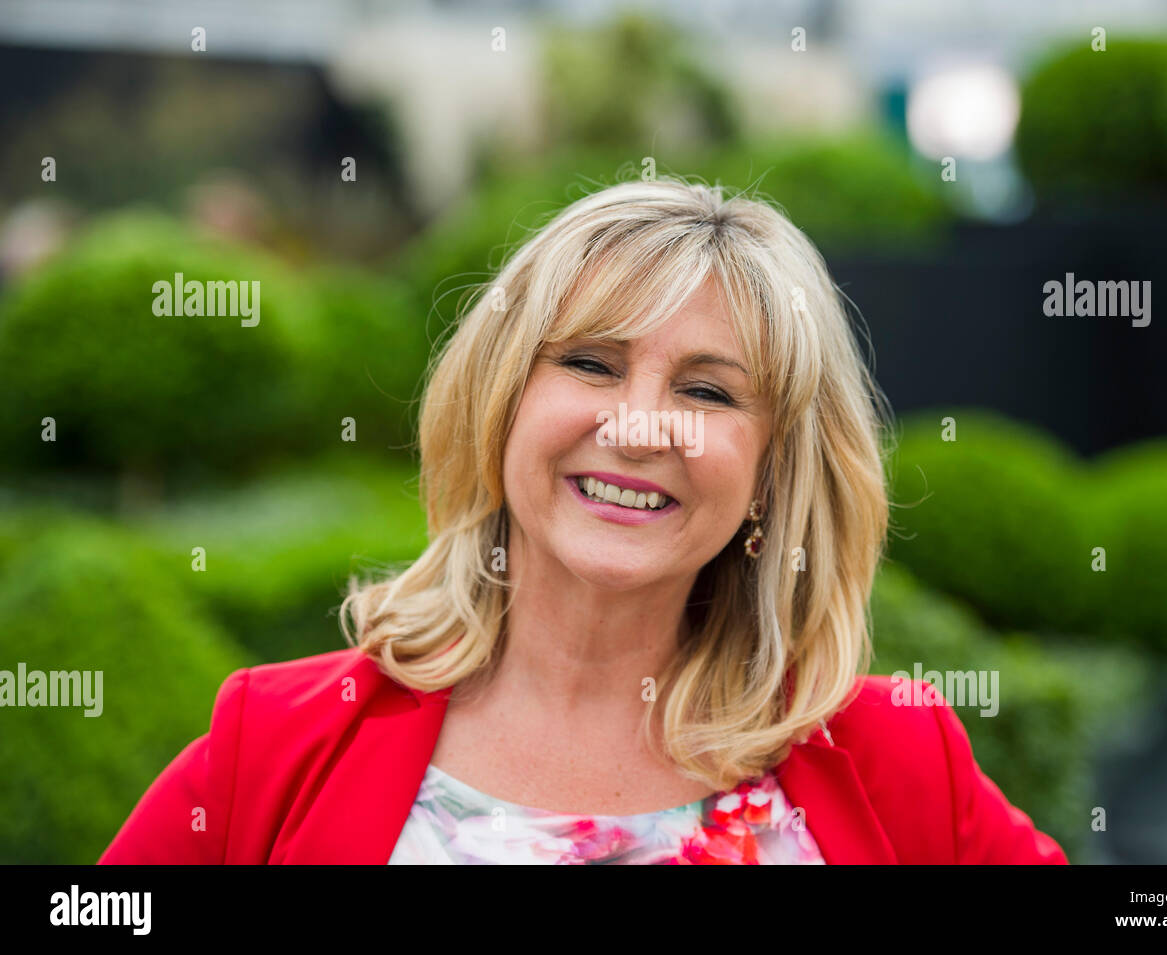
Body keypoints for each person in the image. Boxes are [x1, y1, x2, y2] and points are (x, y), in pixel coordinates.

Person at [99, 177, 1068, 865]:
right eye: (592, 365)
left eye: (706, 390)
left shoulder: (895, 758)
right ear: (501, 403)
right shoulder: (271, 745)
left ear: (773, 472)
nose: (637, 425)